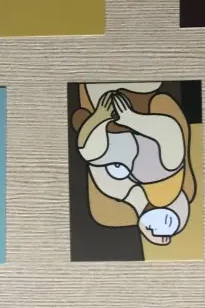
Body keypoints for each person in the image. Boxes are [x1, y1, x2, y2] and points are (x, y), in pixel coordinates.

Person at [71, 83, 197, 245]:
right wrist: (131, 119)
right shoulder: (170, 172)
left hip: (108, 127)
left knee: (90, 151)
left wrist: (99, 119)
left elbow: (90, 154)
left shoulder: (116, 191)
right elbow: (170, 130)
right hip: (134, 110)